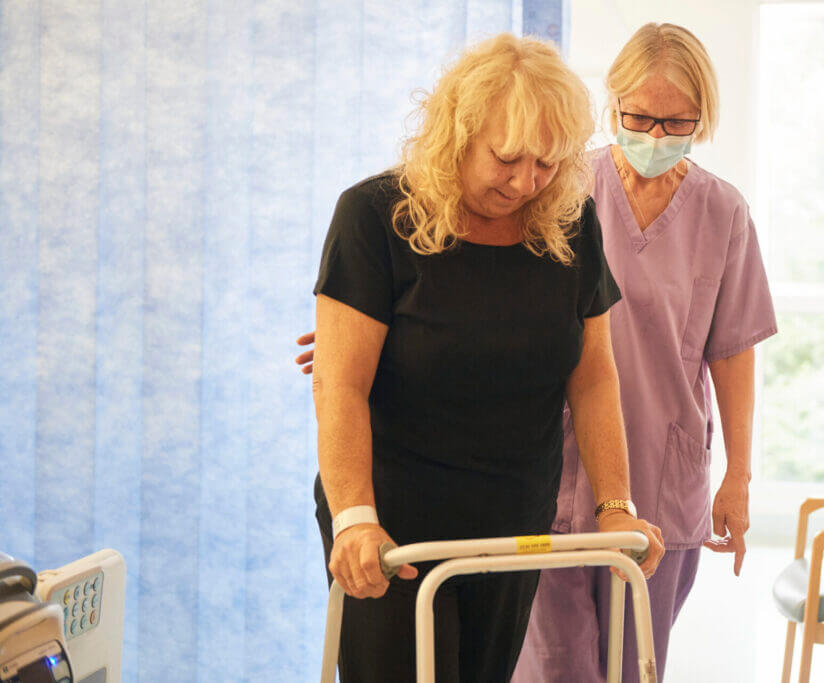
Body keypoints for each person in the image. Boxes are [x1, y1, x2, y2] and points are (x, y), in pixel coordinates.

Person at [309, 33, 664, 682]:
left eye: (548, 164)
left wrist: (616, 503)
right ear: (458, 134)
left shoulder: (568, 223)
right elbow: (339, 384)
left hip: (510, 517)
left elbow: (592, 378)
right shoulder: (373, 218)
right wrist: (354, 517)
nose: (527, 181)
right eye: (508, 159)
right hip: (394, 525)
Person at [510, 23, 777, 682]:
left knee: (634, 668)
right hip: (557, 475)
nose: (656, 136)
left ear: (703, 119)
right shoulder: (564, 190)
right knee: (556, 669)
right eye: (641, 117)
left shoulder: (722, 212)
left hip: (663, 472)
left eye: (677, 122)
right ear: (613, 106)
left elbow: (733, 352)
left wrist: (737, 476)